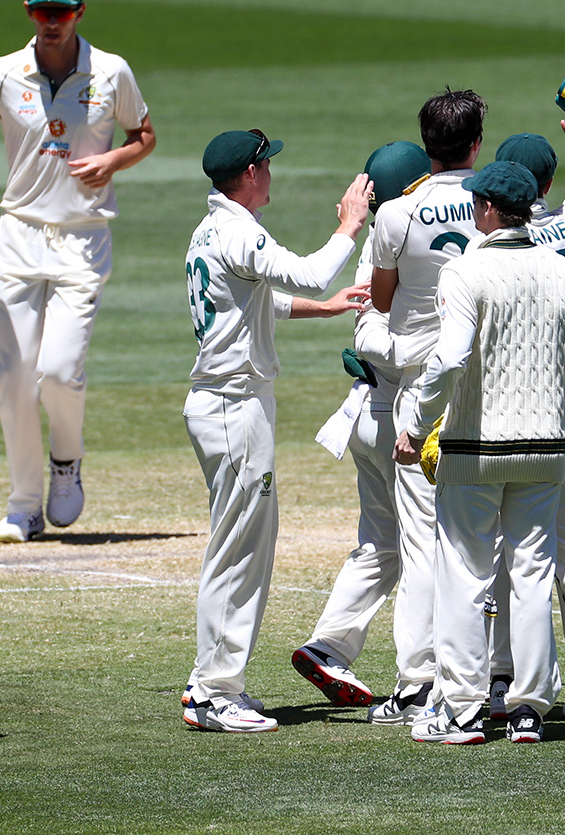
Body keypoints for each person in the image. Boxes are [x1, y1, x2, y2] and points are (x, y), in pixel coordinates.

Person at [393, 161, 565, 744]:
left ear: (489, 211)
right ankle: (528, 711)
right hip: (544, 448)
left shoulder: (466, 271)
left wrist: (414, 423)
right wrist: (540, 379)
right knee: (533, 571)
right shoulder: (563, 271)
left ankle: (461, 708)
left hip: (475, 449)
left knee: (465, 572)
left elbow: (451, 356)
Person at [0, 0, 156, 543]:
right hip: (18, 234)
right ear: (28, 12)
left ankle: (66, 463)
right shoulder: (3, 73)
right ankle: (23, 504)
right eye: (42, 12)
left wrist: (111, 161)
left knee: (58, 373)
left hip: (83, 237)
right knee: (14, 377)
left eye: (62, 12)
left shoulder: (111, 72)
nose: (52, 21)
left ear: (80, 13)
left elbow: (144, 136)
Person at [181, 129, 372, 733]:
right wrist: (350, 224)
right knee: (240, 552)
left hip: (221, 403)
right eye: (266, 164)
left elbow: (262, 300)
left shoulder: (212, 229)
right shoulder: (238, 229)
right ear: (248, 175)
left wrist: (331, 308)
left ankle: (209, 685)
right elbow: (309, 275)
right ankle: (214, 691)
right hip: (235, 406)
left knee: (236, 545)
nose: (272, 173)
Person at [483, 60, 565, 724]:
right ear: (544, 182)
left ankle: (504, 681)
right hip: (557, 408)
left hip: (492, 413)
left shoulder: (483, 241)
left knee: (506, 552)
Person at [293, 141, 434, 708]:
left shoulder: (380, 239)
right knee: (428, 544)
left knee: (381, 543)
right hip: (410, 418)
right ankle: (421, 680)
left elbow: (367, 323)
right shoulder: (438, 233)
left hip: (369, 415)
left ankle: (328, 646)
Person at [366, 89, 485, 725]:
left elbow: (382, 301)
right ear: (475, 144)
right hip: (489, 389)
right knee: (485, 536)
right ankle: (492, 675)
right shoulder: (500, 201)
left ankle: (416, 683)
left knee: (421, 542)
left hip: (421, 389)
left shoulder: (398, 214)